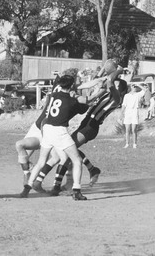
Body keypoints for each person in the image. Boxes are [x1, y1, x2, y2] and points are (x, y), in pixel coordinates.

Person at [33, 63, 127, 196]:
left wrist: (118, 71)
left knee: (66, 153)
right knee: (64, 153)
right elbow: (98, 85)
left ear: (121, 90)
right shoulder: (107, 93)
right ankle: (67, 181)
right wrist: (100, 76)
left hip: (91, 126)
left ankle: (52, 183)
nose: (113, 85)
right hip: (86, 123)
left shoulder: (116, 98)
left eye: (117, 86)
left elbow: (110, 82)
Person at [20, 74, 90, 200]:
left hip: (47, 129)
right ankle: (77, 190)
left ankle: (27, 188)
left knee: (41, 162)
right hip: (59, 131)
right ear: (72, 85)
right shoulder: (71, 100)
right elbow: (84, 106)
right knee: (77, 160)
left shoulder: (54, 95)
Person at [120, 83, 147, 149]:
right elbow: (124, 105)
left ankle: (134, 144)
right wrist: (121, 113)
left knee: (134, 129)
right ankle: (127, 144)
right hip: (127, 112)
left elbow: (145, 90)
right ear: (130, 87)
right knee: (127, 130)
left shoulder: (138, 95)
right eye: (133, 86)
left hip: (134, 112)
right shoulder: (126, 95)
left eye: (135, 87)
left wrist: (138, 85)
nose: (134, 87)